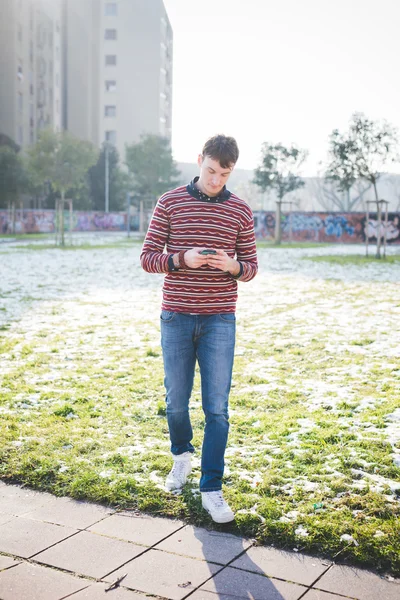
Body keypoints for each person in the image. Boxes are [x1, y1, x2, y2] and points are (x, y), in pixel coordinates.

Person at [140, 134, 258, 523]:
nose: (215, 180)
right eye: (210, 171)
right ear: (199, 161)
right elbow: (147, 258)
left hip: (219, 320)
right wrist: (182, 258)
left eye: (224, 174)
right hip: (176, 317)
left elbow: (251, 268)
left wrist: (231, 266)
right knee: (176, 402)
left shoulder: (240, 211)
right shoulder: (170, 202)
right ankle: (181, 457)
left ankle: (212, 487)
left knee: (217, 410)